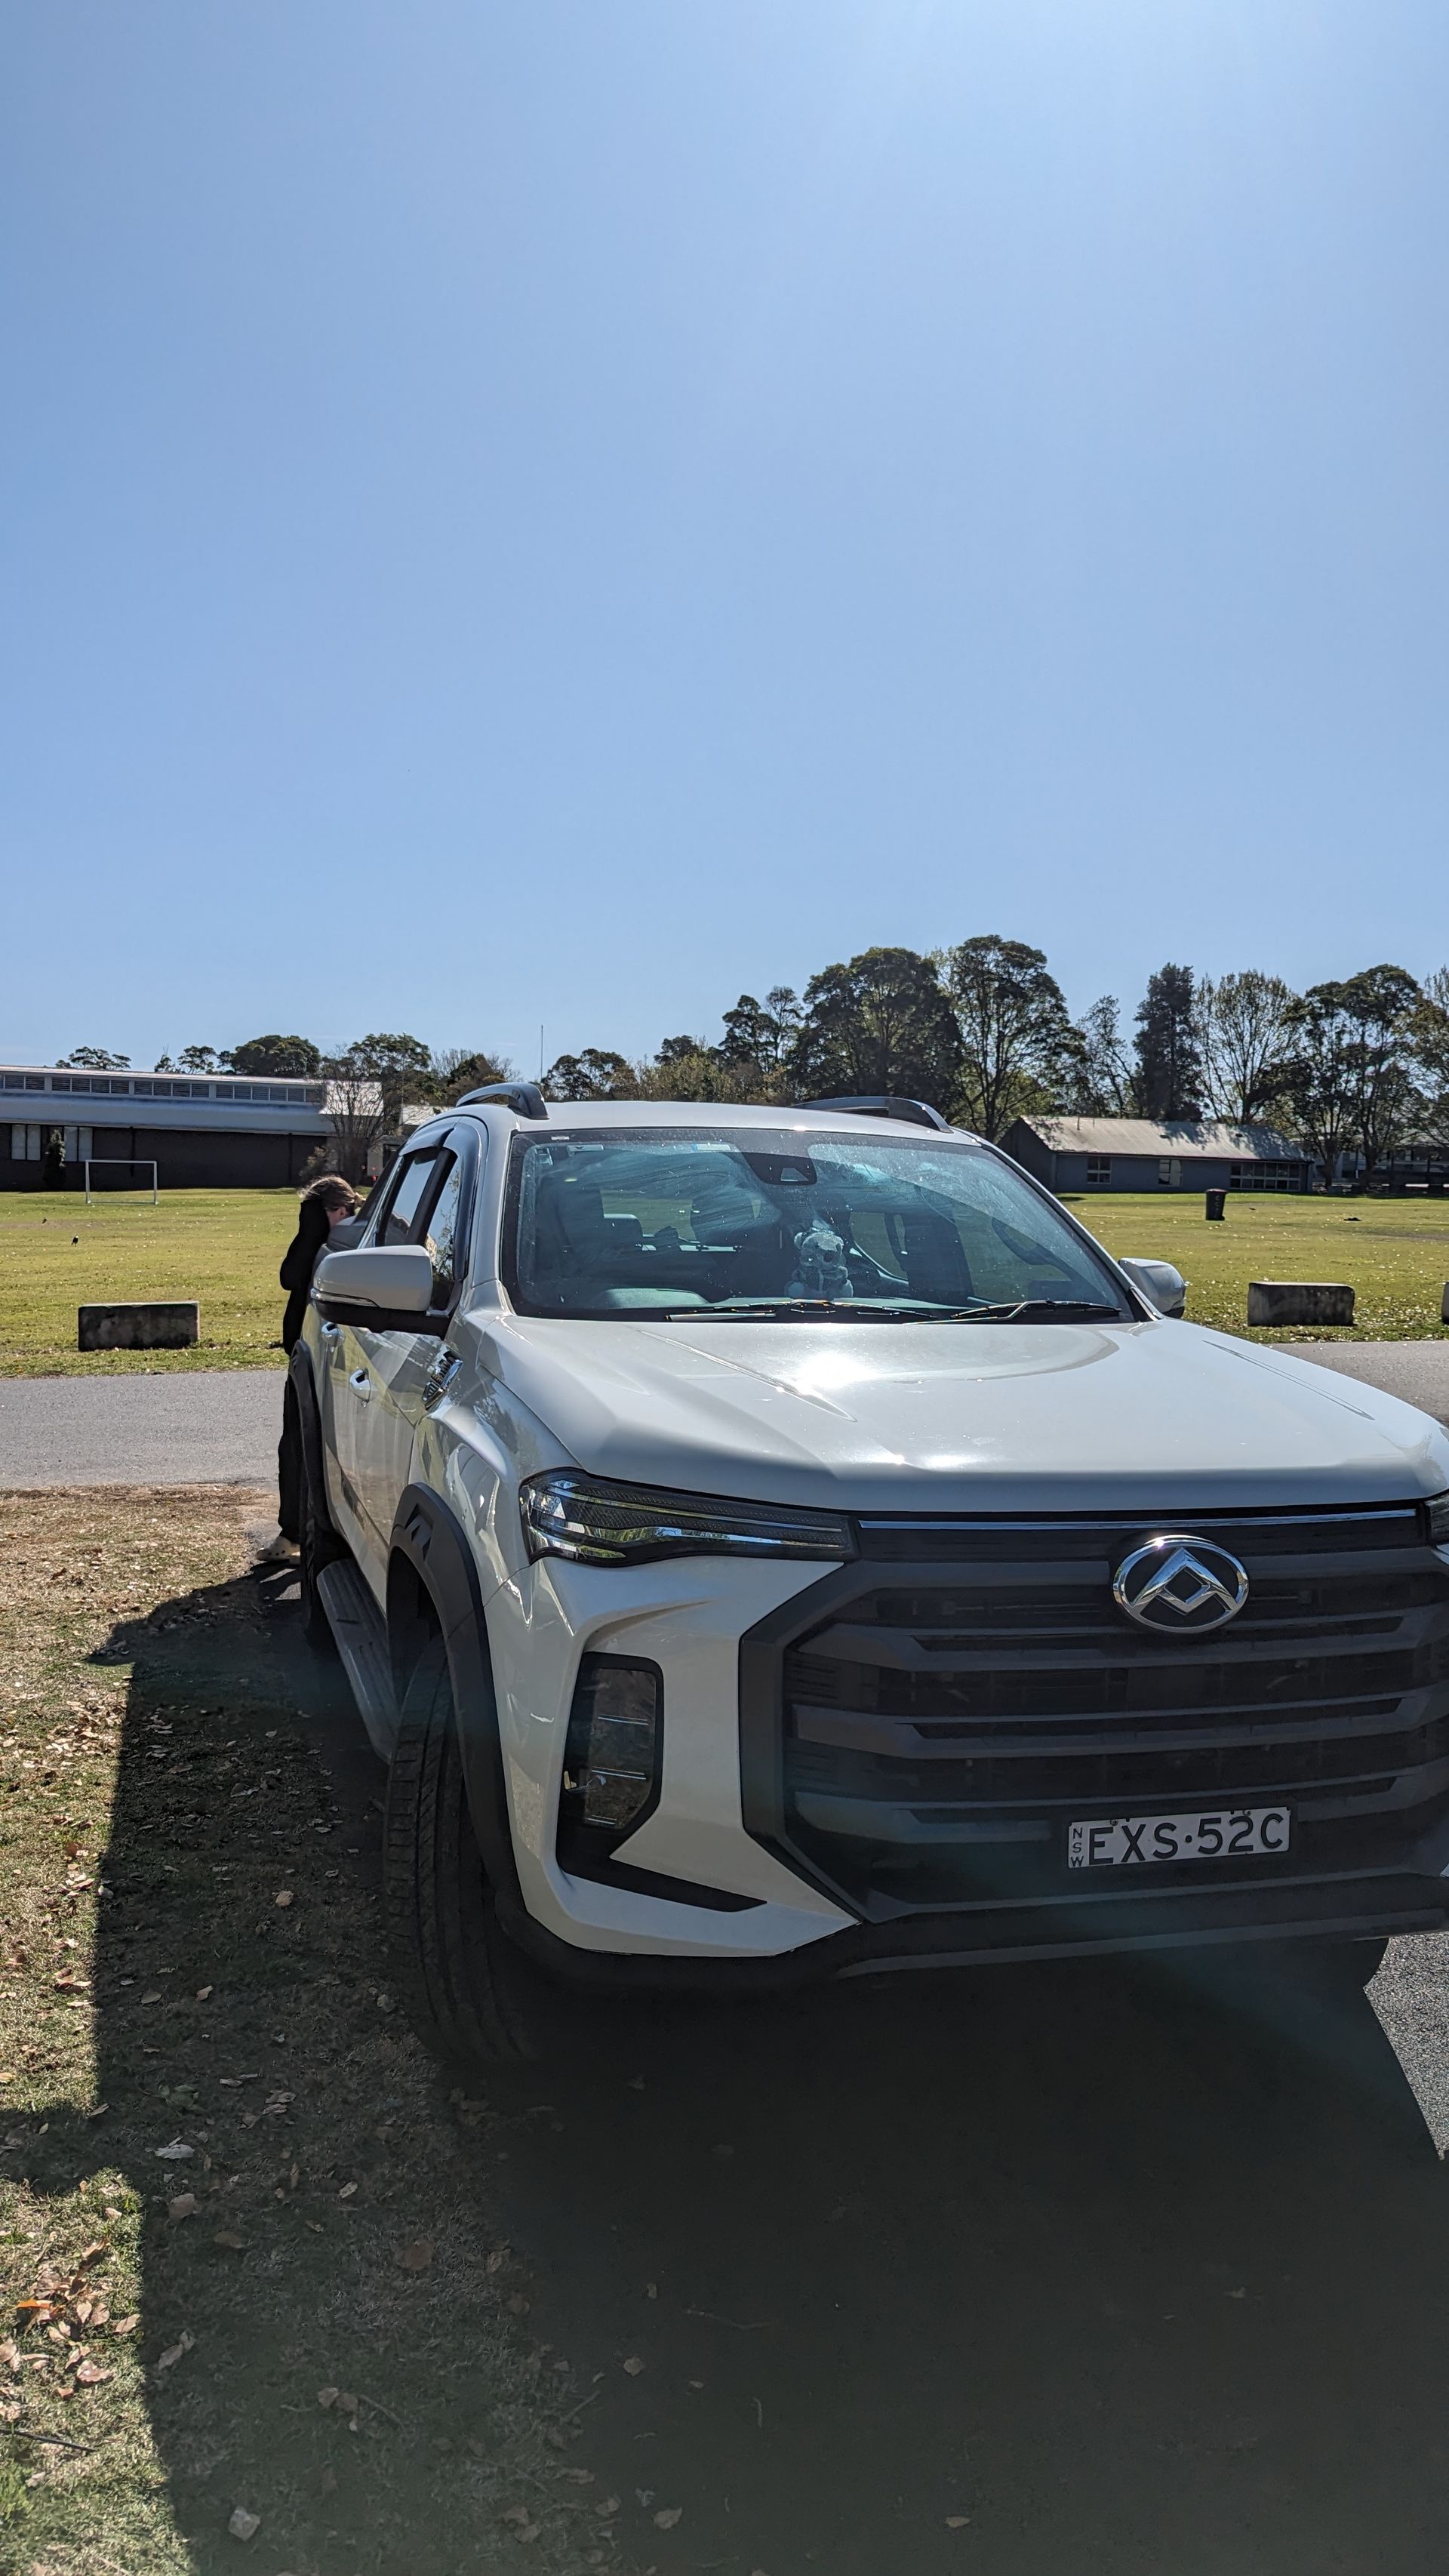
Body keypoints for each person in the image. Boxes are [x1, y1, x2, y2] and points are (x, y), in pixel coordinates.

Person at [276, 1174, 358, 1540]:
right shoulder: (317, 1241)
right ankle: (300, 1529)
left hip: (302, 1342)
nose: (348, 1220)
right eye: (345, 1212)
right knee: (303, 1440)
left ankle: (295, 1528)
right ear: (334, 1210)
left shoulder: (311, 1240)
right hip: (310, 1349)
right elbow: (291, 1276)